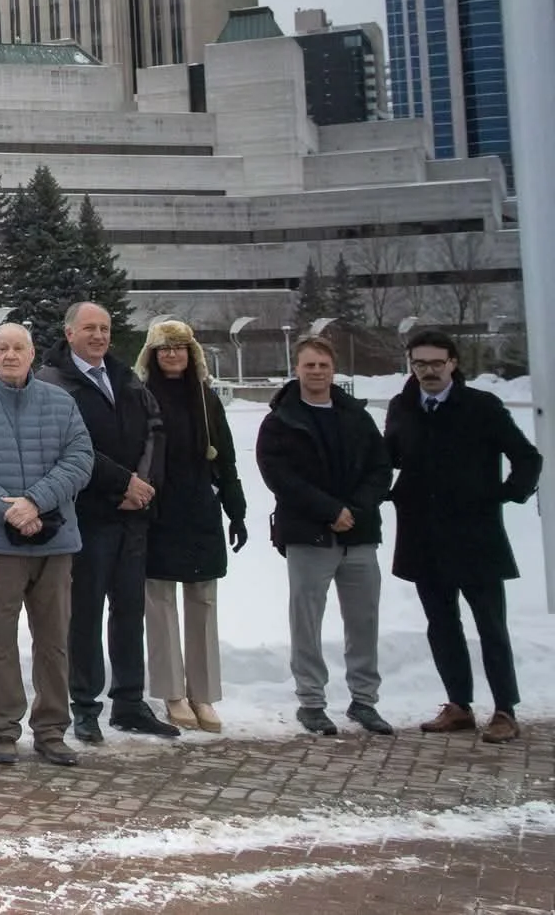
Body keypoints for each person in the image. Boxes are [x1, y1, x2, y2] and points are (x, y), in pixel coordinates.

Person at [0, 322, 94, 767]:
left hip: (55, 539)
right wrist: (6, 508)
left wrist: (36, 501)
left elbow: (80, 458)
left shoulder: (61, 402)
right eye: (2, 348)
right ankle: (3, 730)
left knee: (53, 640)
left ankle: (51, 729)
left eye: (19, 348)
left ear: (32, 354)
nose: (10, 355)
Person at [385, 328, 542, 744]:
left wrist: (505, 495)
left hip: (476, 538)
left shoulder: (481, 406)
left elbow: (527, 457)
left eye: (437, 363)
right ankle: (458, 706)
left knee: (491, 626)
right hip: (423, 537)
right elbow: (389, 458)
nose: (429, 371)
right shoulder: (402, 408)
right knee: (441, 625)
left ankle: (505, 710)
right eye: (420, 363)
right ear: (410, 364)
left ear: (453, 362)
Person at [35, 302, 176, 744]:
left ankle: (130, 702)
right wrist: (123, 485)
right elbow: (68, 449)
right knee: (85, 613)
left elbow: (155, 430)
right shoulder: (54, 382)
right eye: (89, 328)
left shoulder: (125, 377)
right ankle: (85, 705)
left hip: (134, 516)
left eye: (105, 328)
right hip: (88, 516)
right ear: (69, 332)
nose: (98, 336)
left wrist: (145, 483)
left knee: (130, 610)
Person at [256, 335, 394, 737]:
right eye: (309, 365)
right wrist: (329, 511)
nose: (316, 372)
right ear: (295, 369)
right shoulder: (281, 419)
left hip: (360, 534)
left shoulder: (355, 415)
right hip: (308, 535)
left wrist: (357, 509)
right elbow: (278, 476)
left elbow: (379, 467)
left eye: (323, 365)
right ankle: (311, 701)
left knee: (364, 620)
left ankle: (364, 700)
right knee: (307, 621)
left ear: (334, 370)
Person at [134, 319, 245, 733]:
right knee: (160, 604)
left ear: (192, 353)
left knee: (203, 602)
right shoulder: (141, 398)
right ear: (152, 356)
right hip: (159, 513)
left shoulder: (207, 401)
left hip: (201, 510)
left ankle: (204, 694)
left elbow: (226, 459)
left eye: (179, 348)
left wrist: (237, 510)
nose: (172, 355)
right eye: (164, 349)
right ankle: (172, 693)